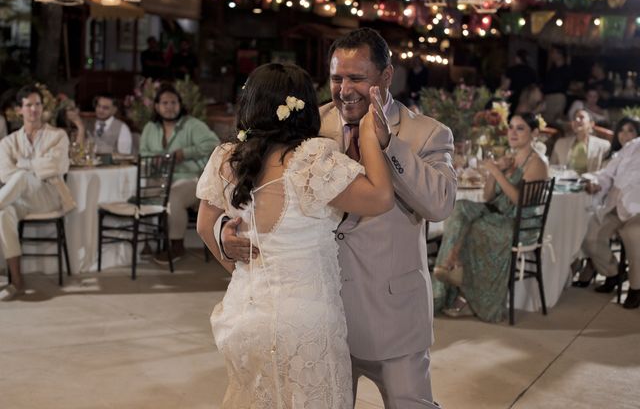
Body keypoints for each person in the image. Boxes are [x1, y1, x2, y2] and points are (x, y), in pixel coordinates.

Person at [217, 28, 456, 408]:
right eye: (336, 78)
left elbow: (440, 203)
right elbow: (254, 177)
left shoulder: (426, 133)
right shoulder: (309, 124)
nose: (345, 90)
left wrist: (387, 144)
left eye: (357, 78)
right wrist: (222, 230)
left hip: (390, 315)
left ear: (386, 77)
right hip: (319, 317)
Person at [196, 62, 394, 408]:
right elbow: (380, 198)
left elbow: (204, 225)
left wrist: (241, 270)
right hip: (304, 320)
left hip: (244, 312)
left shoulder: (227, 157)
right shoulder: (310, 160)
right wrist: (368, 137)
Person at [433, 113, 550, 321]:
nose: (512, 132)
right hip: (497, 213)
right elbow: (488, 196)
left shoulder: (537, 164)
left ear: (535, 133)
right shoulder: (509, 157)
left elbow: (520, 201)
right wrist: (497, 172)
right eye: (511, 127)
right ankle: (447, 268)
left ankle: (458, 287)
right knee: (459, 208)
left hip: (516, 224)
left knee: (473, 228)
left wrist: (496, 172)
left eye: (520, 128)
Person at [0, 85, 75, 301]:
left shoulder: (58, 135)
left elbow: (57, 167)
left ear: (43, 108)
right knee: (4, 214)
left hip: (49, 197)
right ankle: (17, 282)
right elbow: (5, 175)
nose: (34, 109)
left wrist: (22, 165)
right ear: (19, 110)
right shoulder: (7, 142)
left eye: (38, 104)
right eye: (28, 105)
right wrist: (35, 167)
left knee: (21, 177)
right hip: (21, 200)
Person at [139, 83, 219, 263]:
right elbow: (143, 153)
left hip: (190, 178)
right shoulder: (150, 128)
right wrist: (159, 157)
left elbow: (213, 143)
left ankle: (176, 246)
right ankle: (146, 243)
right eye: (165, 103)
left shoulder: (192, 125)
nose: (169, 107)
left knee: (173, 197)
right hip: (159, 178)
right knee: (140, 194)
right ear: (157, 106)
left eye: (173, 103)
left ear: (180, 105)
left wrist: (184, 153)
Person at [573, 136, 640, 309]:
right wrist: (596, 183)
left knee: (632, 235)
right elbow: (608, 174)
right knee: (590, 235)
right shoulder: (633, 145)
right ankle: (614, 273)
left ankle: (636, 288)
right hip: (616, 205)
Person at [550, 109, 610, 174]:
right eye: (574, 118)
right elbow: (552, 168)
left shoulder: (604, 146)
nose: (577, 120)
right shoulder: (560, 144)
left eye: (581, 117)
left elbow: (606, 172)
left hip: (590, 182)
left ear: (591, 124)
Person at [542, 45, 572, 125]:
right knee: (546, 121)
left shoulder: (565, 69)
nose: (551, 55)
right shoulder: (552, 69)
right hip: (548, 97)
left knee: (553, 122)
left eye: (553, 52)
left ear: (560, 54)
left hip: (558, 97)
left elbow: (560, 85)